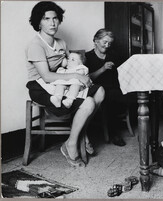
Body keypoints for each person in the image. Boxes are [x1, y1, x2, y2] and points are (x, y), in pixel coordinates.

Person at [25, 1, 105, 167]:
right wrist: (76, 76)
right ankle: (71, 145)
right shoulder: (35, 45)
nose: (52, 23)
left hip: (63, 82)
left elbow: (69, 66)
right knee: (88, 102)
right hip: (41, 87)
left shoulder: (61, 43)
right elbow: (46, 76)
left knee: (100, 91)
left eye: (55, 18)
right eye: (46, 19)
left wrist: (82, 74)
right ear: (38, 22)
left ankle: (78, 134)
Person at [85, 28, 129, 146]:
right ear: (95, 41)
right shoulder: (87, 57)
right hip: (97, 90)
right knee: (109, 96)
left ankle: (115, 132)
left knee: (118, 95)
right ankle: (113, 134)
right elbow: (87, 78)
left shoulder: (113, 55)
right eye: (105, 42)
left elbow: (123, 73)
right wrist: (103, 69)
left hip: (114, 89)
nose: (107, 45)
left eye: (109, 43)